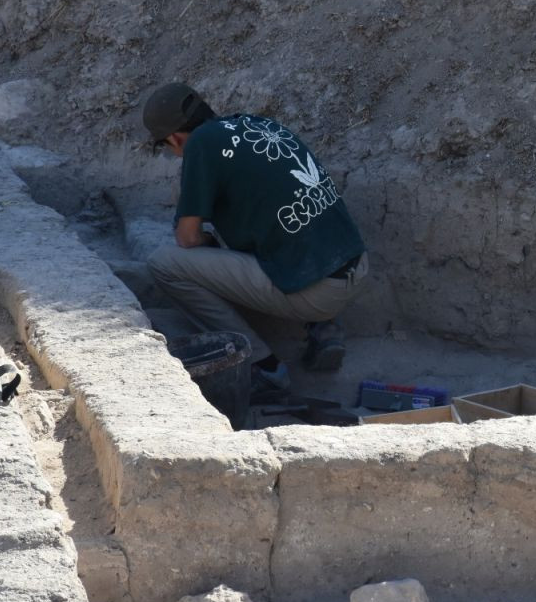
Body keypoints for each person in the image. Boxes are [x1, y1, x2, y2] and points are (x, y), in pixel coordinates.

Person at [141, 82, 368, 397]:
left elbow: (188, 238)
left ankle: (263, 366)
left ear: (175, 138)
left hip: (319, 291)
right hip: (355, 264)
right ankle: (324, 326)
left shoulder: (201, 144)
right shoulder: (254, 124)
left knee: (164, 264)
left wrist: (209, 246)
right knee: (272, 227)